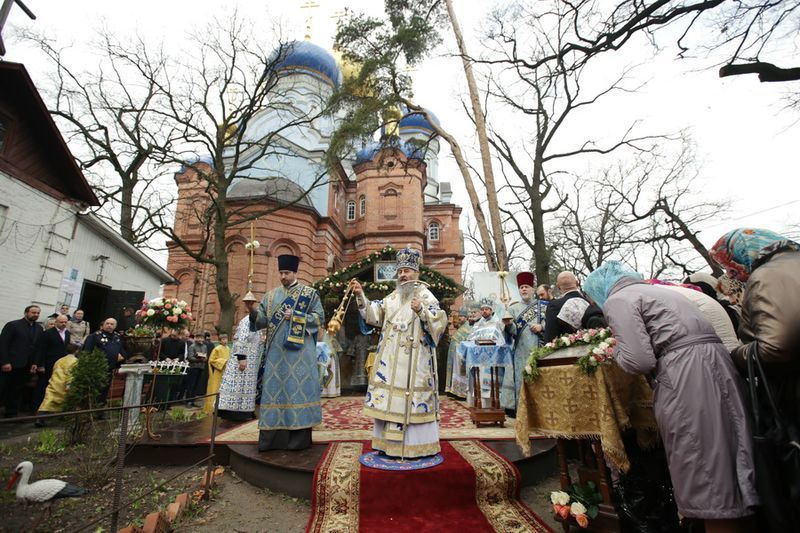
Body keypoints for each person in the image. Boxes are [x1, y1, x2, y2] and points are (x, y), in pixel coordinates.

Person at [583, 261, 758, 532]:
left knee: (702, 462)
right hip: (718, 365)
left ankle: (718, 524)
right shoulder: (664, 291)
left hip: (685, 376)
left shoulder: (618, 300)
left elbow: (638, 359)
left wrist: (613, 352)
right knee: (729, 454)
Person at [710, 228, 800, 524]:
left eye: (730, 263)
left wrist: (735, 355)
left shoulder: (767, 276)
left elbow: (776, 346)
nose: (730, 271)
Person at [350, 247, 448, 458]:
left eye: (408, 271)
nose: (403, 275)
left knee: (412, 402)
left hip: (416, 364)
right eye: (401, 271)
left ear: (417, 273)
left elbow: (440, 322)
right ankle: (387, 445)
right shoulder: (392, 297)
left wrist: (422, 311)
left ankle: (417, 446)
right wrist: (360, 296)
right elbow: (373, 315)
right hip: (391, 362)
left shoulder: (426, 296)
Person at [244, 254, 324, 452]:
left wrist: (296, 316)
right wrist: (252, 310)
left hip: (300, 354)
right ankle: (271, 441)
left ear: (294, 272)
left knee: (298, 390)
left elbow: (319, 318)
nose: (282, 276)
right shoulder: (270, 296)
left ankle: (298, 440)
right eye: (280, 273)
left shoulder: (309, 293)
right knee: (274, 392)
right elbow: (261, 322)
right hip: (275, 355)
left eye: (286, 273)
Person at [503, 272, 544, 412]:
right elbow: (513, 332)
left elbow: (550, 324)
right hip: (520, 350)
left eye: (526, 287)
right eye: (521, 288)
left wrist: (541, 327)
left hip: (540, 350)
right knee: (521, 379)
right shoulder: (512, 309)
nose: (524, 290)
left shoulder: (542, 306)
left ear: (533, 289)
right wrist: (508, 325)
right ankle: (522, 409)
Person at [218, 311, 265, 421]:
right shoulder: (246, 322)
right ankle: (233, 413)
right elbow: (241, 340)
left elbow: (254, 340)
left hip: (250, 364)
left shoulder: (255, 323)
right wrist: (242, 358)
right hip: (242, 362)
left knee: (246, 388)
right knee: (237, 386)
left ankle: (245, 411)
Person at [0, 305, 43, 418]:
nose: (36, 315)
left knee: (17, 390)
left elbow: (37, 347)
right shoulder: (13, 325)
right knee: (3, 387)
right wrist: (5, 362)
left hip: (26, 365)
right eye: (33, 312)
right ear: (26, 313)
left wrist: (34, 363)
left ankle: (11, 413)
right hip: (11, 364)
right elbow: (3, 344)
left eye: (38, 313)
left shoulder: (39, 328)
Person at [83, 318, 127, 406]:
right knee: (95, 390)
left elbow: (121, 352)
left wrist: (120, 363)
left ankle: (100, 408)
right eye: (107, 323)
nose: (109, 325)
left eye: (112, 324)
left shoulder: (117, 337)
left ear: (115, 326)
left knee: (104, 390)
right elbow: (86, 352)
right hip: (96, 368)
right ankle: (91, 408)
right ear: (103, 325)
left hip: (109, 368)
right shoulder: (95, 336)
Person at [35, 343, 80, 427]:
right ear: (76, 351)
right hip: (64, 384)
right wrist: (69, 384)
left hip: (54, 382)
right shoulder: (75, 361)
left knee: (48, 401)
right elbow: (72, 374)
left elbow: (54, 370)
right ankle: (63, 416)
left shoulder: (59, 360)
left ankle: (40, 418)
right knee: (65, 400)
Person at [33, 314, 70, 411]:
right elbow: (41, 350)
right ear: (56, 322)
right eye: (61, 322)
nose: (63, 324)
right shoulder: (47, 333)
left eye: (65, 322)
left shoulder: (67, 333)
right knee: (42, 387)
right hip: (47, 364)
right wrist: (41, 365)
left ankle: (51, 408)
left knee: (56, 387)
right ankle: (37, 408)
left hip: (59, 366)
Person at [543, 272, 590, 343]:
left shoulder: (554, 306)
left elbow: (550, 339)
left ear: (558, 286)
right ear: (577, 283)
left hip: (565, 352)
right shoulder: (590, 303)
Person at [445, 306, 472, 399]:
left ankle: (461, 392)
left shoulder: (469, 327)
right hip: (454, 353)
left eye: (462, 316)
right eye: (460, 316)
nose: (460, 318)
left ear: (467, 317)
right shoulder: (462, 326)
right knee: (453, 371)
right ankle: (452, 389)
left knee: (460, 373)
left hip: (461, 354)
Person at [203, 334, 229, 414]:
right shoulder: (217, 349)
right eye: (223, 339)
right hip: (218, 371)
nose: (225, 341)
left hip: (226, 372)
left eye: (226, 339)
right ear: (220, 341)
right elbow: (211, 360)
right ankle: (212, 408)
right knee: (215, 388)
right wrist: (223, 361)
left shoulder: (228, 348)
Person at [181, 336, 208, 407]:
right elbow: (190, 357)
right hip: (193, 368)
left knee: (197, 385)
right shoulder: (192, 346)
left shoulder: (204, 346)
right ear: (196, 338)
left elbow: (206, 356)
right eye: (199, 338)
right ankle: (188, 401)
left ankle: (193, 401)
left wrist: (204, 359)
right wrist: (199, 359)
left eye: (202, 338)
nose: (200, 339)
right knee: (191, 385)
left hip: (201, 367)